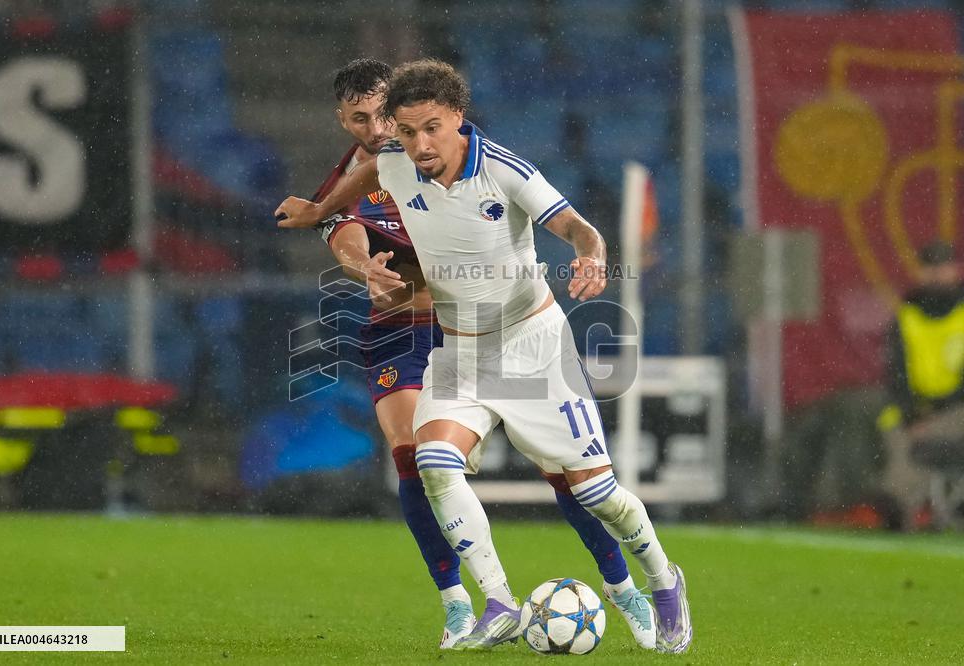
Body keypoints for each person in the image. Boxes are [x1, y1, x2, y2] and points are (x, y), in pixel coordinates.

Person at [276, 59, 690, 654]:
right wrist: (320, 211)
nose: (418, 145)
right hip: (460, 353)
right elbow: (365, 176)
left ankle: (661, 580)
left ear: (458, 120)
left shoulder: (503, 170)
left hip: (533, 349)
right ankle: (498, 601)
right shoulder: (393, 160)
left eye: (432, 129)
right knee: (434, 464)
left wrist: (593, 255)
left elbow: (578, 227)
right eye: (408, 131)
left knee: (597, 495)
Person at [880, 239, 964, 529]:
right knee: (894, 432)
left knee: (926, 440)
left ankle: (905, 504)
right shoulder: (907, 315)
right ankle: (900, 510)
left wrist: (934, 414)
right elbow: (897, 373)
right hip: (918, 410)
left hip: (956, 409)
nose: (938, 275)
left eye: (943, 267)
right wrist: (912, 415)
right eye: (932, 268)